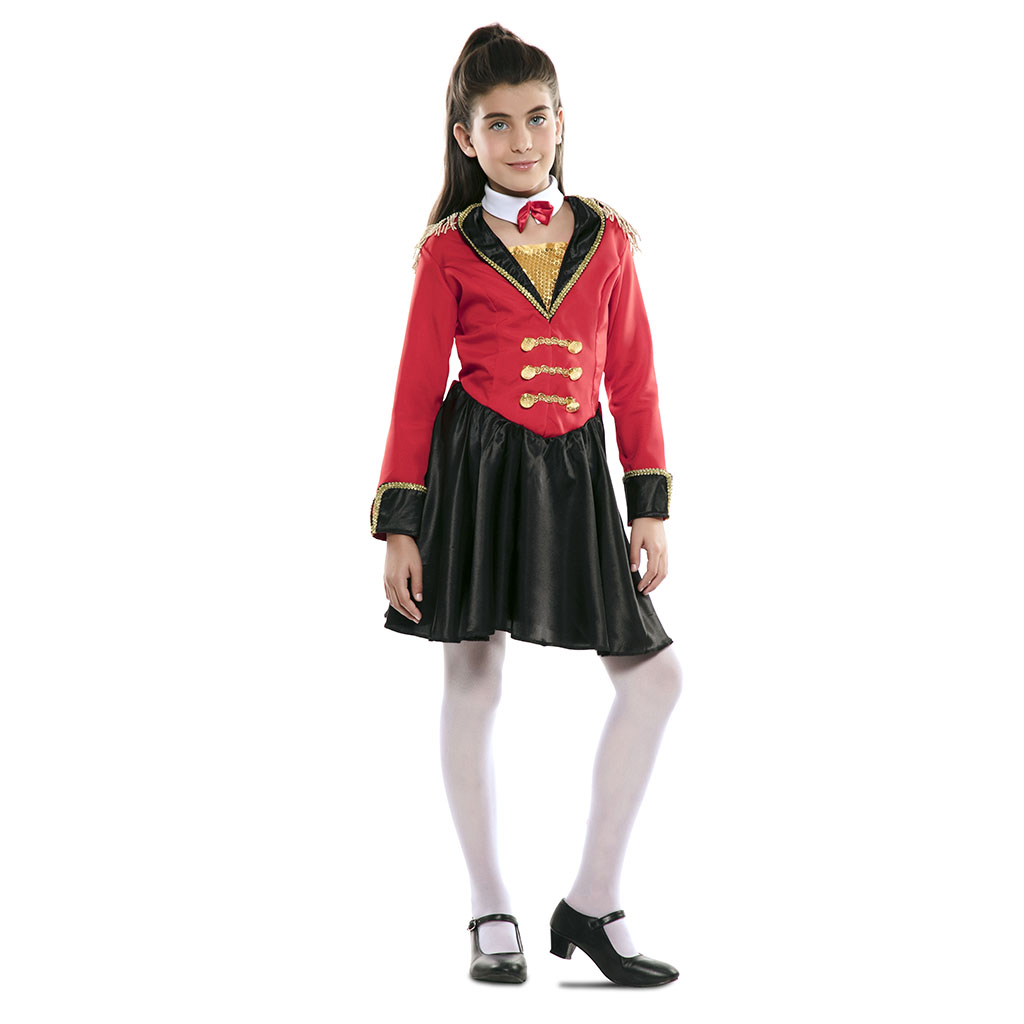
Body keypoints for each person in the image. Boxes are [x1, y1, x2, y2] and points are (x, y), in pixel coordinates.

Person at [369, 24, 683, 987]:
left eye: (537, 118)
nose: (522, 140)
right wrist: (401, 524)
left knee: (655, 681)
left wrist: (648, 502)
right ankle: (488, 905)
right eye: (498, 124)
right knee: (473, 677)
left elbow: (633, 377)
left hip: (577, 474)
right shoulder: (448, 251)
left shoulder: (607, 236)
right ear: (465, 137)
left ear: (561, 121)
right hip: (476, 472)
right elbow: (416, 390)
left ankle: (592, 901)